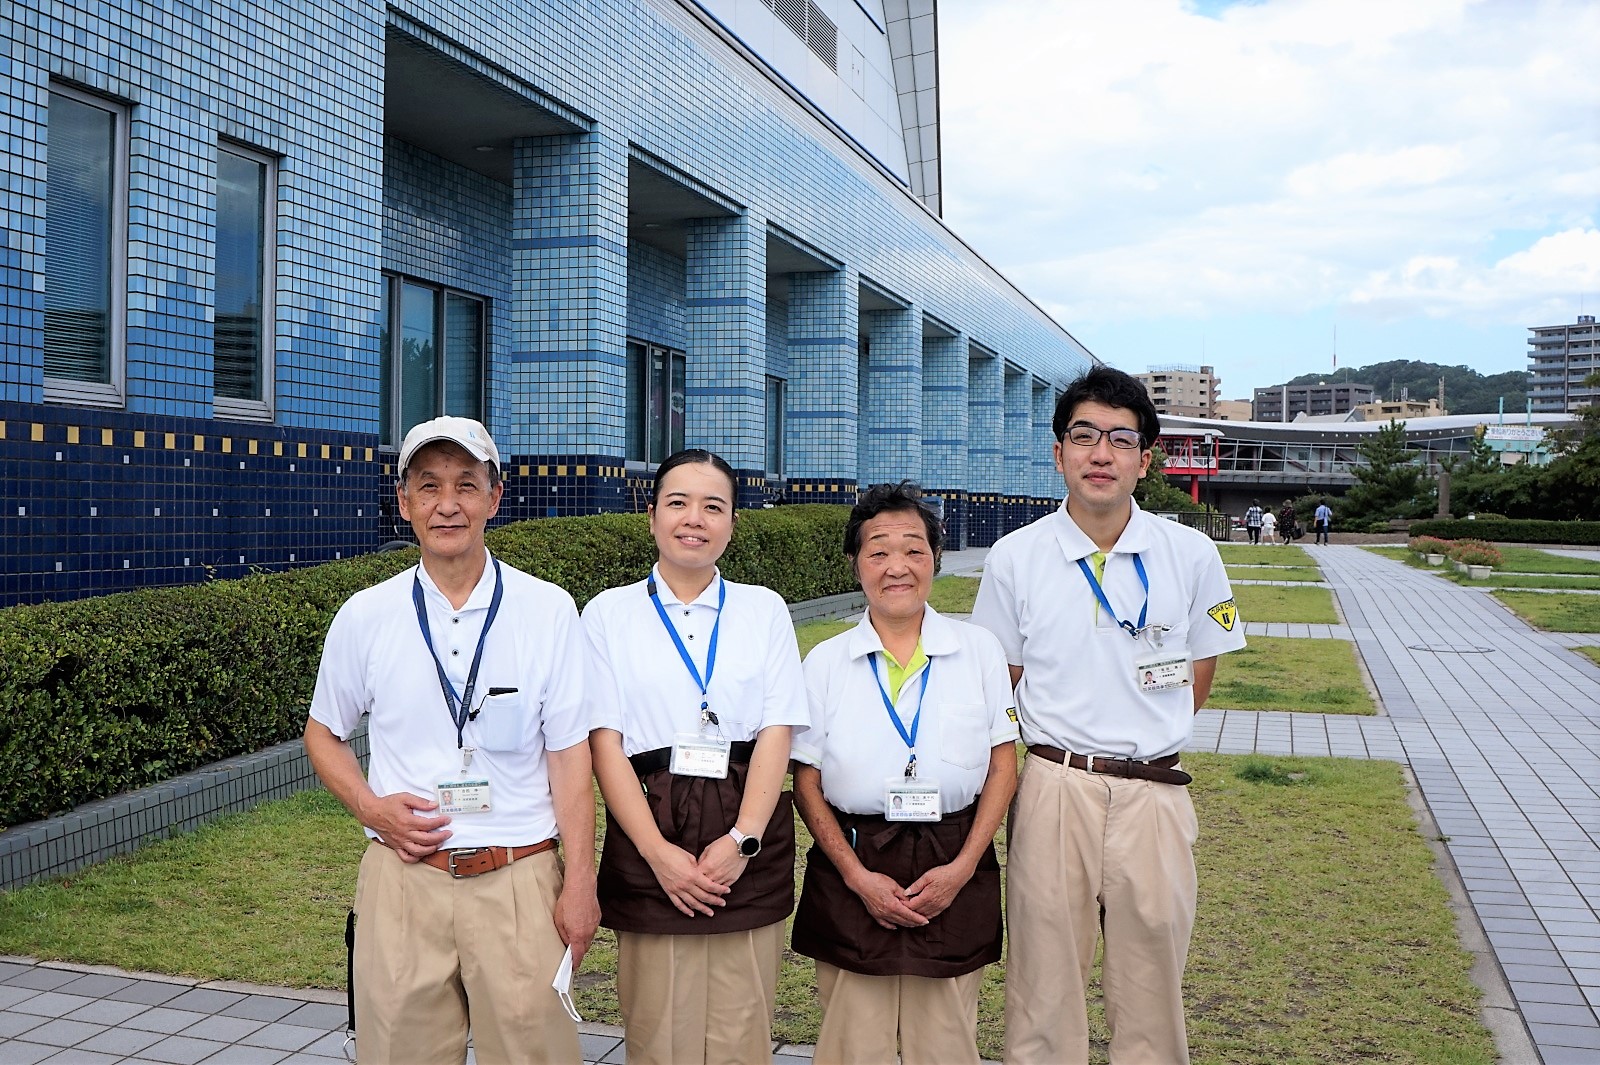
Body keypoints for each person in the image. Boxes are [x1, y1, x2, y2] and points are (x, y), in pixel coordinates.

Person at [971, 366, 1247, 1065]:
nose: (1101, 453)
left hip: (1154, 792)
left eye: (1121, 439)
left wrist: (1144, 732)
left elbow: (1202, 669)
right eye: (1084, 435)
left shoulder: (1190, 552)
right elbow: (1000, 681)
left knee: (1153, 982)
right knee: (1042, 983)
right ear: (1059, 451)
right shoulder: (1015, 556)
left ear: (1145, 460)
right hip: (1053, 785)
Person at [304, 416, 598, 1065]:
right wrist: (370, 807)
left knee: (535, 1054)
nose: (448, 503)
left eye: (467, 484)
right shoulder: (367, 614)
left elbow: (570, 753)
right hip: (402, 881)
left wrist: (580, 880)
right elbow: (323, 732)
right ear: (404, 500)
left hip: (519, 879)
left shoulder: (547, 609)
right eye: (429, 485)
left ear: (495, 497)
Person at [584, 449, 808, 1065]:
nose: (695, 519)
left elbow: (777, 731)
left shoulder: (763, 609)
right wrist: (659, 857)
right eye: (678, 502)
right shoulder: (607, 613)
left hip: (746, 834)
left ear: (733, 522)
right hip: (650, 833)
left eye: (714, 506)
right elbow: (604, 744)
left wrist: (742, 842)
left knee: (742, 1031)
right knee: (659, 1034)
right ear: (651, 514)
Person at [790, 482, 1018, 1065]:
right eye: (878, 551)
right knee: (851, 1043)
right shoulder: (825, 662)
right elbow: (806, 782)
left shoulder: (980, 650)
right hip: (854, 859)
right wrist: (857, 876)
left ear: (936, 559)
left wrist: (963, 867)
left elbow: (1001, 766)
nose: (897, 567)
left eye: (914, 550)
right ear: (855, 563)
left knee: (944, 1041)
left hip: (952, 857)